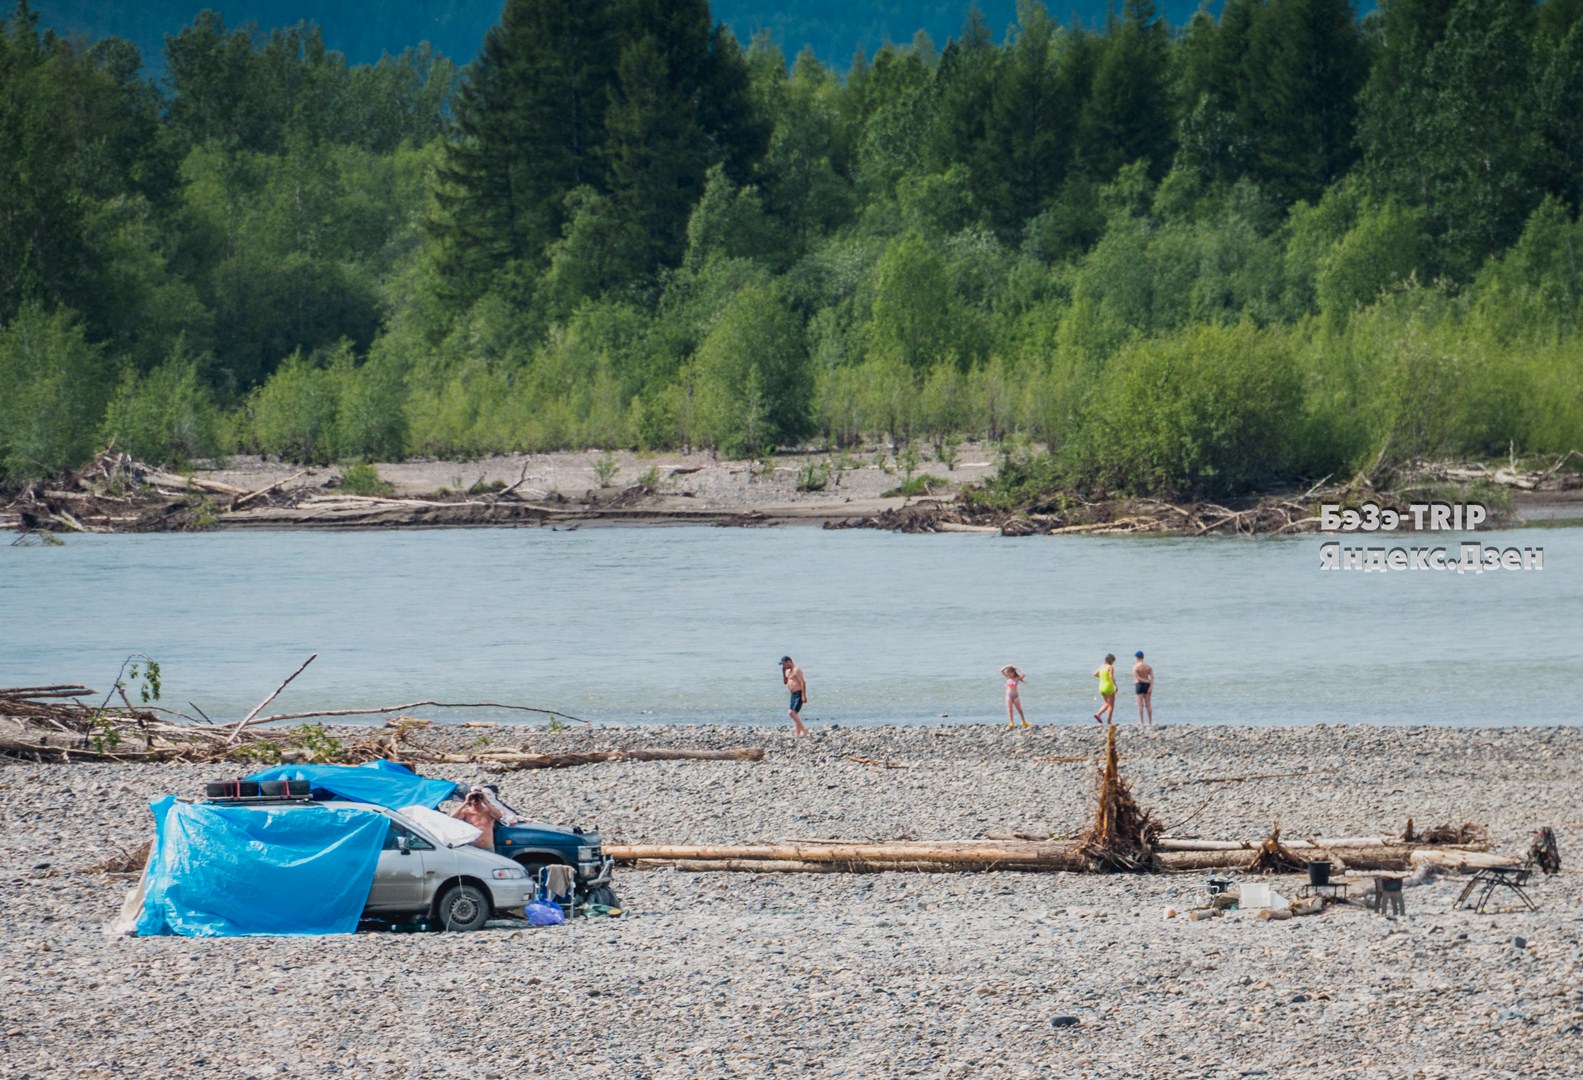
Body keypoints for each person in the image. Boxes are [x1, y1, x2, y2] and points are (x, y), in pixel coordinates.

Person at [780, 656, 810, 736]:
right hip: (793, 694)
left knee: (791, 712)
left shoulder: (797, 670)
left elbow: (802, 682)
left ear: (788, 661)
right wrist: (783, 672)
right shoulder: (789, 672)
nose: (783, 666)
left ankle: (804, 730)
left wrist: (803, 695)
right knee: (794, 714)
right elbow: (785, 682)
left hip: (798, 693)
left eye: (784, 664)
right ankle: (797, 733)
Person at [1092, 653, 1117, 725]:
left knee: (1107, 703)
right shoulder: (1110, 667)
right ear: (1111, 661)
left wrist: (1102, 677)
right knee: (1111, 705)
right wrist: (1115, 686)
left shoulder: (1101, 666)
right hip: (1108, 686)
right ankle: (1109, 721)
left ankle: (1098, 714)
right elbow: (1111, 677)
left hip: (1101, 687)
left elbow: (1094, 674)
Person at [1132, 651, 1154, 726]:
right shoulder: (1148, 667)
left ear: (1137, 658)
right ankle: (1150, 721)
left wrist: (1145, 681)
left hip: (1139, 685)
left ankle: (1141, 722)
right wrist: (1150, 685)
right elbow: (1152, 678)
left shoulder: (1135, 667)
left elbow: (1138, 678)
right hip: (1147, 685)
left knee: (1140, 705)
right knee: (1148, 705)